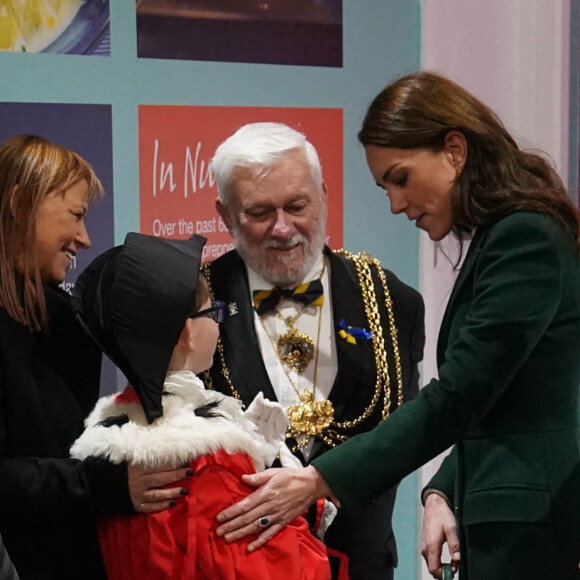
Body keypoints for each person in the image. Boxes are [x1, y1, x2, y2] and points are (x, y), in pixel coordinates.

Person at [212, 73, 580, 580]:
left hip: (531, 528)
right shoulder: (509, 235)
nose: (395, 204)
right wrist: (441, 489)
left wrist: (320, 479)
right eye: (384, 186)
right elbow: (499, 402)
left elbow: (460, 396)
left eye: (401, 178)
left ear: (454, 150)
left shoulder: (523, 238)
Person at [203, 122, 425, 580]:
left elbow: (409, 432)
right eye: (259, 212)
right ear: (225, 215)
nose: (283, 228)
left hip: (362, 565)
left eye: (297, 205)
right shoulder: (195, 302)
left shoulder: (392, 298)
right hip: (238, 566)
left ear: (323, 194)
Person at [69, 231, 331, 580]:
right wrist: (308, 508)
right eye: (215, 311)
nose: (220, 323)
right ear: (186, 334)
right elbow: (278, 569)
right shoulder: (210, 459)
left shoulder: (107, 444)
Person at [0, 135, 191, 579]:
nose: (85, 239)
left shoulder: (64, 321)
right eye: (77, 215)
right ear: (19, 204)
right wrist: (101, 485)